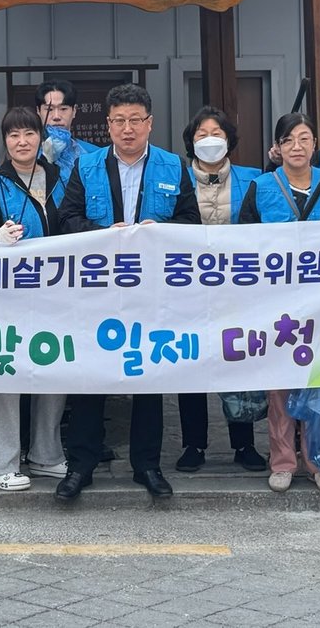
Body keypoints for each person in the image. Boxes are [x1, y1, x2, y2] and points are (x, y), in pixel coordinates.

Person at [55, 83, 201, 500]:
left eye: (135, 120)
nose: (127, 128)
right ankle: (81, 465)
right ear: (108, 125)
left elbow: (191, 221)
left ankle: (147, 465)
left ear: (150, 123)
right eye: (119, 120)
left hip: (151, 289)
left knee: (148, 376)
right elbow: (67, 219)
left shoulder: (173, 166)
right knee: (90, 376)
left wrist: (164, 231)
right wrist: (103, 234)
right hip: (98, 288)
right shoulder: (86, 167)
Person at [240, 112, 320, 495]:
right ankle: (283, 461)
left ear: (315, 145)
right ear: (278, 147)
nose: (297, 147)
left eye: (305, 139)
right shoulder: (261, 187)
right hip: (277, 304)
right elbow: (243, 245)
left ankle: (319, 461)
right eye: (288, 140)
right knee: (281, 387)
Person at [0, 107, 68, 491]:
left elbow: (76, 224)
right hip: (6, 298)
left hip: (57, 294)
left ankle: (46, 454)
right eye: (13, 135)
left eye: (29, 133)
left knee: (55, 368)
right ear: (5, 141)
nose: (22, 141)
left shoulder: (61, 179)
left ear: (40, 138)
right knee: (4, 370)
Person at [174, 106, 265, 474]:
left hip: (238, 287)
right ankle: (193, 443)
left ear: (229, 140)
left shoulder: (254, 179)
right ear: (190, 141)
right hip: (187, 286)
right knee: (189, 362)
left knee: (238, 359)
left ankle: (244, 443)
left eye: (217, 133)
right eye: (201, 134)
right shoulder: (176, 179)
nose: (209, 140)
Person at [35, 79, 98, 186]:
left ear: (74, 111)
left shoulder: (94, 155)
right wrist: (44, 161)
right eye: (49, 109)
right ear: (38, 111)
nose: (56, 116)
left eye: (63, 109)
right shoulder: (27, 155)